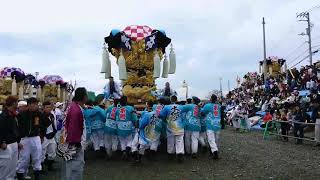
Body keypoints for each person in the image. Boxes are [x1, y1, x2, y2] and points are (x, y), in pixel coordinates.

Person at [62, 87, 88, 180]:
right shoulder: (76, 110)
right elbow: (73, 127)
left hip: (72, 140)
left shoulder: (73, 106)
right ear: (84, 97)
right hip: (74, 142)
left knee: (71, 165)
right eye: (86, 95)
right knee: (75, 166)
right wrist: (76, 143)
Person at [16, 97, 42, 180]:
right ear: (29, 105)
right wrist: (18, 139)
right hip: (25, 139)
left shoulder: (39, 114)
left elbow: (43, 125)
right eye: (33, 104)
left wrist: (41, 135)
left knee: (37, 157)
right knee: (24, 158)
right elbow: (17, 127)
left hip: (36, 138)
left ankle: (37, 176)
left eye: (36, 104)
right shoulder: (22, 114)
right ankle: (20, 174)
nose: (35, 106)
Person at [159, 95, 188, 162]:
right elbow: (185, 115)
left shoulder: (166, 107)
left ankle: (171, 154)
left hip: (170, 127)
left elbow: (161, 115)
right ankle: (180, 154)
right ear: (176, 99)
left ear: (171, 100)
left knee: (170, 141)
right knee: (179, 140)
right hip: (180, 126)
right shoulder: (181, 107)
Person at [0, 96, 21, 180]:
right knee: (5, 166)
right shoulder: (3, 116)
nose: (17, 104)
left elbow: (14, 130)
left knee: (13, 165)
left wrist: (17, 142)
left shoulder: (13, 114)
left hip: (13, 143)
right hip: (6, 144)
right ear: (13, 103)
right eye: (17, 102)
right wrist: (1, 142)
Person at [116, 96, 138, 160]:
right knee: (130, 140)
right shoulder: (130, 108)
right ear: (126, 101)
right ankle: (127, 151)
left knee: (122, 141)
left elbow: (116, 118)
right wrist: (136, 124)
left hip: (119, 127)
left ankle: (124, 152)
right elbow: (134, 118)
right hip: (127, 127)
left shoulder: (117, 109)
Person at [201, 94, 222, 159]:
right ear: (216, 99)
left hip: (210, 124)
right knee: (216, 139)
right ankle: (213, 150)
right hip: (217, 124)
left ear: (210, 99)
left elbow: (202, 113)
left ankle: (215, 152)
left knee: (211, 139)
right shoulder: (218, 106)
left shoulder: (207, 105)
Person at [40, 101, 57, 171]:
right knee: (42, 152)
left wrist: (54, 132)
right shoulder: (40, 116)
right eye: (47, 107)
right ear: (43, 108)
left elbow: (53, 125)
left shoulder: (52, 115)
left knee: (52, 151)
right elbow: (39, 127)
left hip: (51, 136)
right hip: (44, 136)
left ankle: (50, 165)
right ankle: (41, 168)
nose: (49, 109)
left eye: (50, 107)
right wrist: (41, 136)